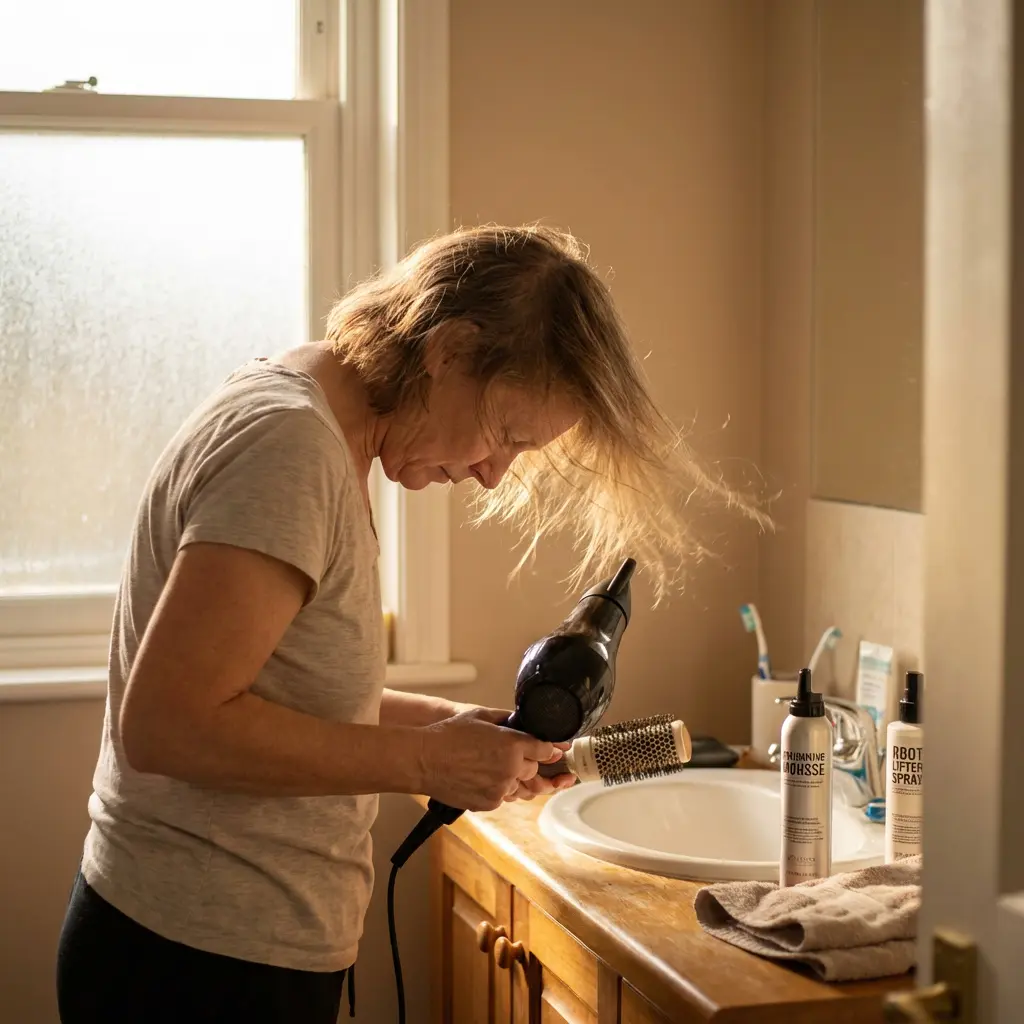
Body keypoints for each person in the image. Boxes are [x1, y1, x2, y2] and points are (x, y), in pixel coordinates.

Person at [55, 225, 761, 1023]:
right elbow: (170, 726)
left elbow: (272, 687)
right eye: (506, 433)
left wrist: (450, 728)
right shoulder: (290, 447)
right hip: (197, 965)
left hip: (214, 947)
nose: (494, 472)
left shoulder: (305, 418)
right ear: (450, 350)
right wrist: (425, 760)